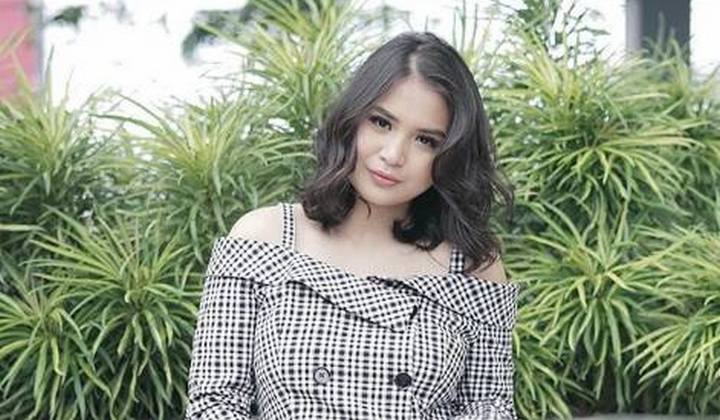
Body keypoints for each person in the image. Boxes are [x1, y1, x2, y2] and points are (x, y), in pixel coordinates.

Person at [185, 31, 520, 419]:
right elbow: (215, 403)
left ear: (452, 155)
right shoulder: (263, 238)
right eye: (381, 122)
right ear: (352, 119)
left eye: (426, 140)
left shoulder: (472, 267)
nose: (393, 155)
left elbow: (489, 408)